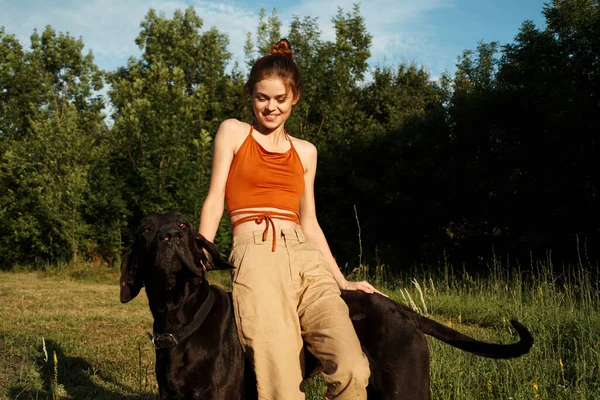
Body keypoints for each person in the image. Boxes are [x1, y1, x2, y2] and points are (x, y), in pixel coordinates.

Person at [199, 38, 383, 400]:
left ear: (294, 97)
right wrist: (201, 254)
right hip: (255, 259)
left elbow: (310, 223)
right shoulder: (234, 132)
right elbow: (215, 199)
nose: (270, 107)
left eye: (280, 99)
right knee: (280, 386)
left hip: (305, 260)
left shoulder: (306, 152)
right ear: (251, 95)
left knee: (352, 367)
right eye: (261, 98)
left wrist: (343, 281)